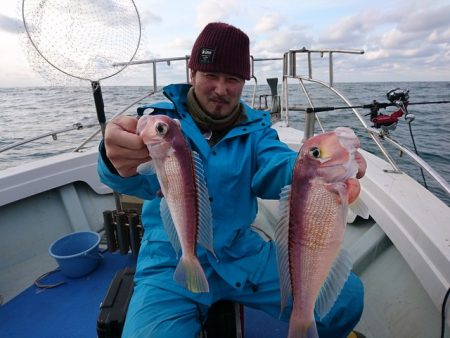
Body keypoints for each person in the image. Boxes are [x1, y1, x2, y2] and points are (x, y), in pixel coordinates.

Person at [98, 22, 365, 338]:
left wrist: (317, 167)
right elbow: (131, 181)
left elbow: (277, 164)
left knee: (347, 300)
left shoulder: (258, 132)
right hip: (170, 257)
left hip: (241, 252)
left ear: (244, 82)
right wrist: (113, 160)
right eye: (211, 75)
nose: (221, 89)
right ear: (192, 72)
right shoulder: (159, 127)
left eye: (233, 79)